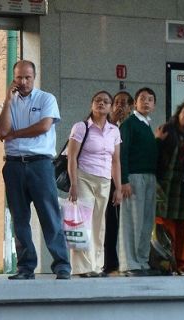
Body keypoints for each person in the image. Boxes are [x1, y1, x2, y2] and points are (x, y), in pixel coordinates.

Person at [0, 60, 71, 280]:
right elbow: (1, 128)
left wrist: (15, 134)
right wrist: (8, 101)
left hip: (40, 164)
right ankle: (25, 267)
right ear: (13, 78)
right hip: (13, 165)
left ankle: (62, 265)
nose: (23, 81)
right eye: (19, 77)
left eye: (28, 77)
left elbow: (44, 127)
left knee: (49, 215)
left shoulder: (46, 98)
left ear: (34, 76)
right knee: (19, 218)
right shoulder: (8, 103)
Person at [67, 90, 122, 278]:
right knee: (83, 223)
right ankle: (82, 267)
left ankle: (97, 266)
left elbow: (116, 161)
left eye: (106, 101)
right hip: (84, 178)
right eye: (98, 100)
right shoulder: (81, 127)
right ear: (92, 104)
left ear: (111, 107)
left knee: (100, 225)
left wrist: (119, 188)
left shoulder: (114, 130)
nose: (102, 103)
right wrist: (73, 183)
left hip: (105, 181)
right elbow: (72, 157)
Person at [154, 99, 184, 276]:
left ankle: (182, 264)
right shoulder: (167, 129)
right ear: (179, 112)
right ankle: (168, 262)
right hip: (166, 184)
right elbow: (156, 154)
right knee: (167, 226)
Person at [117, 87, 161, 277]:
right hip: (134, 177)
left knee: (146, 221)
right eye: (142, 98)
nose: (146, 102)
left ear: (154, 105)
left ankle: (142, 261)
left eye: (150, 99)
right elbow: (122, 153)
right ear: (135, 103)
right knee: (132, 221)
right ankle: (129, 264)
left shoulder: (147, 125)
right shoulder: (129, 124)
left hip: (149, 177)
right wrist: (124, 180)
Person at [103, 91, 133, 275]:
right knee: (109, 222)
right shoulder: (106, 125)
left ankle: (128, 262)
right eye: (117, 103)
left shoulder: (132, 125)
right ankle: (109, 263)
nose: (120, 106)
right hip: (108, 179)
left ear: (131, 107)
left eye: (124, 103)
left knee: (128, 224)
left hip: (128, 181)